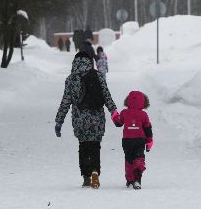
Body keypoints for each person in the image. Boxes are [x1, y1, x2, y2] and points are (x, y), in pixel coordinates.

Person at [55, 52, 117, 189]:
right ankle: (95, 171)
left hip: (79, 120)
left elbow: (65, 102)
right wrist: (114, 113)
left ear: (74, 62)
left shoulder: (70, 79)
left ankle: (86, 177)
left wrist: (59, 122)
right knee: (95, 146)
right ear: (90, 62)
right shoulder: (98, 76)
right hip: (97, 119)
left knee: (83, 147)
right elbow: (107, 97)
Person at [112, 91, 154, 190]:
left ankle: (129, 180)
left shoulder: (124, 113)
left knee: (129, 159)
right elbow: (148, 129)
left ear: (128, 101)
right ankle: (137, 179)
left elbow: (118, 123)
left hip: (127, 141)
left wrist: (114, 116)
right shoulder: (144, 115)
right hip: (140, 140)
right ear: (144, 102)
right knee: (139, 158)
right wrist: (149, 141)